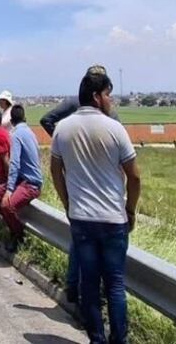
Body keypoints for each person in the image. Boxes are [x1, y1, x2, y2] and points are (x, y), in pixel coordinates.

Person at [50, 67, 142, 344]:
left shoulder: (63, 129)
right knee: (115, 285)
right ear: (96, 96)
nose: (110, 100)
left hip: (81, 219)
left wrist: (68, 203)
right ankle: (119, 340)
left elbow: (55, 171)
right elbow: (134, 177)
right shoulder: (114, 128)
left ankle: (97, 339)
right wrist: (130, 210)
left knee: (89, 285)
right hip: (113, 219)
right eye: (107, 94)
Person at [38, 84, 124, 307]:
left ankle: (73, 287)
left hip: (77, 182)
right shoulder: (109, 115)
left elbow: (47, 120)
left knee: (79, 237)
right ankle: (90, 296)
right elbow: (128, 166)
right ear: (98, 93)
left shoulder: (72, 108)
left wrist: (66, 148)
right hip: (104, 190)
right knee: (99, 252)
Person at [0, 105, 42, 252]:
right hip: (23, 180)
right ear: (24, 118)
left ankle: (18, 235)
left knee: (7, 205)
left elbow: (14, 163)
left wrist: (9, 189)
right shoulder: (30, 132)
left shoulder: (16, 134)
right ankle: (12, 229)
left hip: (30, 183)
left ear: (11, 121)